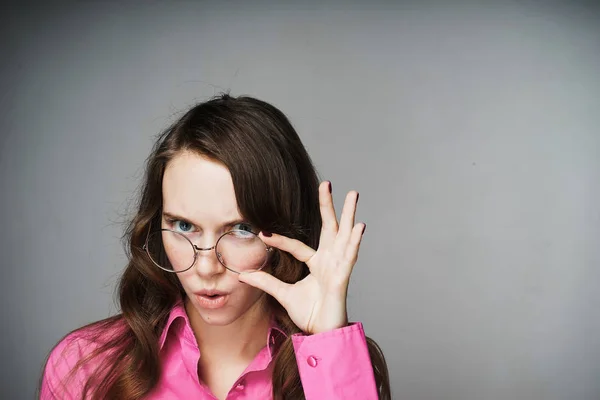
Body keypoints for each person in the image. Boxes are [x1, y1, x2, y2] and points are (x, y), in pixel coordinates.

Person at [39, 94, 391, 399]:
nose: (206, 268)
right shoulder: (85, 366)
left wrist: (328, 340)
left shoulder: (339, 365)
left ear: (285, 232)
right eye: (184, 226)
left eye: (240, 229)